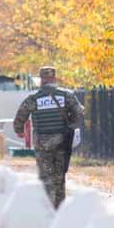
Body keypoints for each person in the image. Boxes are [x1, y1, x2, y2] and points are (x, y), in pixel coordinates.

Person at [13, 66, 84, 208]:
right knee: (59, 175)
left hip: (42, 143)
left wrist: (19, 130)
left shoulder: (34, 98)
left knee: (46, 176)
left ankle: (46, 207)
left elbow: (21, 116)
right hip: (62, 141)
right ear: (54, 78)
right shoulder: (66, 95)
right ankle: (59, 208)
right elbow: (79, 113)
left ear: (41, 80)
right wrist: (72, 125)